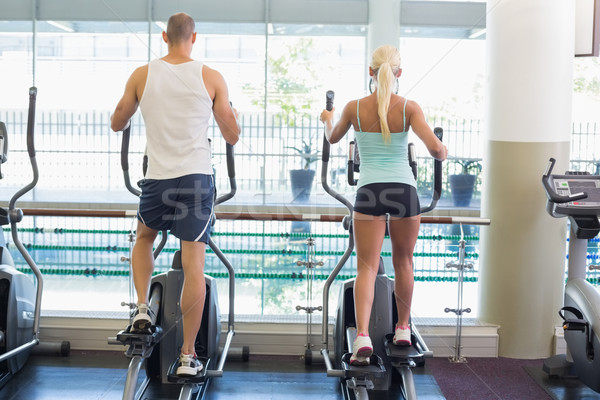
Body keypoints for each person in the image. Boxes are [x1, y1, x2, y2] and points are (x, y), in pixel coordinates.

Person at [110, 12, 240, 376]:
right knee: (194, 265)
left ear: (165, 37)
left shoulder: (142, 74)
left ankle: (140, 308)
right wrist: (232, 118)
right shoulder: (211, 77)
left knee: (144, 238)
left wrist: (135, 107)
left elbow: (117, 121)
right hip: (197, 179)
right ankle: (186, 356)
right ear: (193, 38)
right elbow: (231, 134)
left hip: (159, 179)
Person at [320, 44, 447, 365]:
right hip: (403, 190)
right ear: (399, 73)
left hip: (370, 191)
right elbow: (436, 150)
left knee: (366, 266)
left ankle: (362, 335)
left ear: (370, 73)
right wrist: (441, 147)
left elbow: (333, 138)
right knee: (404, 261)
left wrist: (327, 118)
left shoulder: (353, 107)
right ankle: (402, 328)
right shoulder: (409, 108)